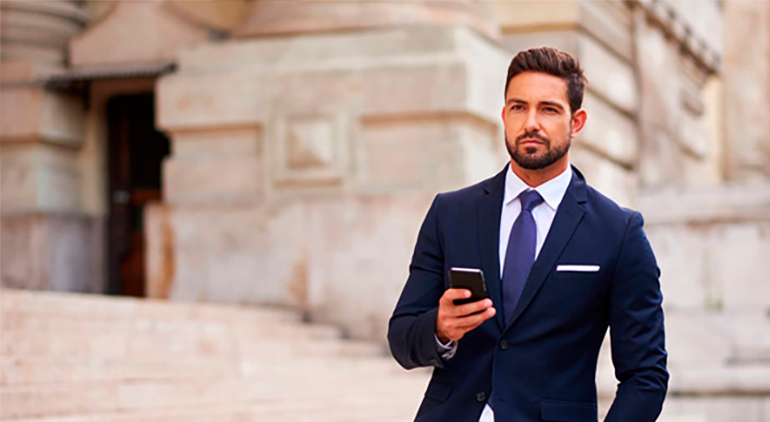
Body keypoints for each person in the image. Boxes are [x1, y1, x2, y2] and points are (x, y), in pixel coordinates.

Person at [387, 47, 668, 422]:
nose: (530, 122)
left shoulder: (619, 232)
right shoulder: (450, 213)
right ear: (504, 115)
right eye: (518, 107)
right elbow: (402, 337)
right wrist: (438, 328)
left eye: (548, 109)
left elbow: (645, 375)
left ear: (576, 121)